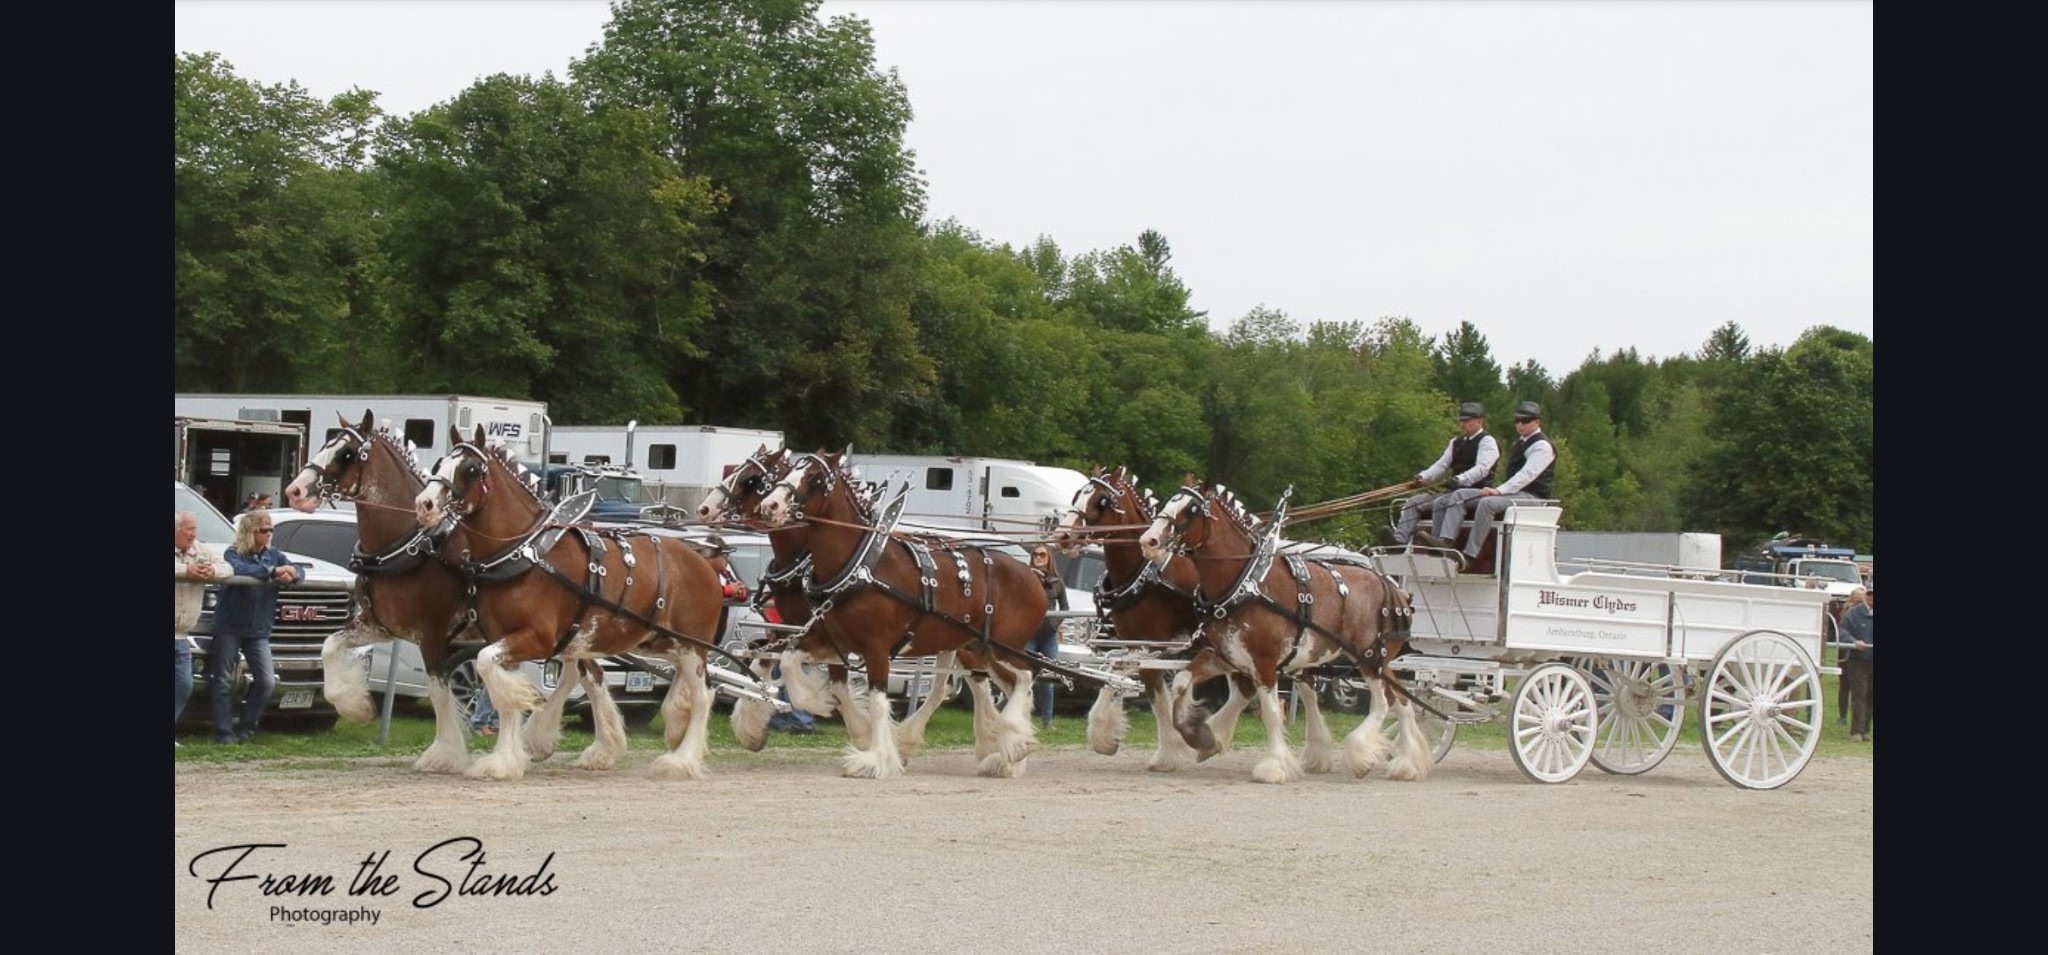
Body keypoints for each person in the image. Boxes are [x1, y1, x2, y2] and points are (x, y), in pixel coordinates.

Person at [1422, 400, 1555, 567]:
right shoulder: (1520, 442)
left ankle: (1469, 555)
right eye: (1517, 420)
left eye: (1525, 421)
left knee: (1487, 504)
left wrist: (1498, 491)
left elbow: (1526, 476)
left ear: (1537, 422)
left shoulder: (1542, 446)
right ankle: (1444, 542)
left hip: (1533, 496)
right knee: (1458, 495)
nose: (1520, 424)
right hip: (1513, 492)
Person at [209, 512, 299, 743]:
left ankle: (247, 728)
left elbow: (296, 569)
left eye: (270, 530)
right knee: (222, 680)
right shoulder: (233, 552)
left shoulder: (274, 554)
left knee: (267, 682)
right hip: (229, 625)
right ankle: (224, 732)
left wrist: (294, 574)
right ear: (250, 532)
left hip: (259, 629)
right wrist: (272, 572)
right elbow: (239, 569)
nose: (269, 534)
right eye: (263, 530)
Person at [1389, 401, 1500, 546]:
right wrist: (1423, 477)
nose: (1462, 424)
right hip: (1453, 491)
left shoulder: (1487, 442)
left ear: (1479, 421)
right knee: (1413, 502)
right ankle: (1398, 542)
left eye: (1467, 421)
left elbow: (1482, 469)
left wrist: (1459, 479)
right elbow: (1441, 465)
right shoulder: (1455, 442)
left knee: (1441, 502)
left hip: (1477, 492)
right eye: (1461, 421)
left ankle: (1441, 542)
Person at [175, 512, 232, 747]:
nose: (193, 534)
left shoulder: (200, 550)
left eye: (194, 528)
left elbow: (227, 567)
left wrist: (211, 572)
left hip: (181, 635)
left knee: (184, 684)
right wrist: (185, 571)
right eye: (188, 529)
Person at [1028, 545, 1068, 729]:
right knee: (1023, 676)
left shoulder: (1057, 581)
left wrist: (1054, 623)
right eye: (1035, 554)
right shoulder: (1027, 577)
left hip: (1048, 635)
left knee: (1047, 678)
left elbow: (1065, 608)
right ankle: (1018, 715)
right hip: (1029, 634)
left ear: (1049, 558)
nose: (1038, 557)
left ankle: (1047, 721)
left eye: (1042, 554)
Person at [1838, 586, 1873, 742]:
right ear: (1866, 596)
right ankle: (1856, 732)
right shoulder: (1853, 613)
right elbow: (1843, 631)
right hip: (1857, 660)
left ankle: (1866, 729)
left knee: (1871, 695)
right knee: (1859, 694)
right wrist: (1854, 642)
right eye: (1870, 595)